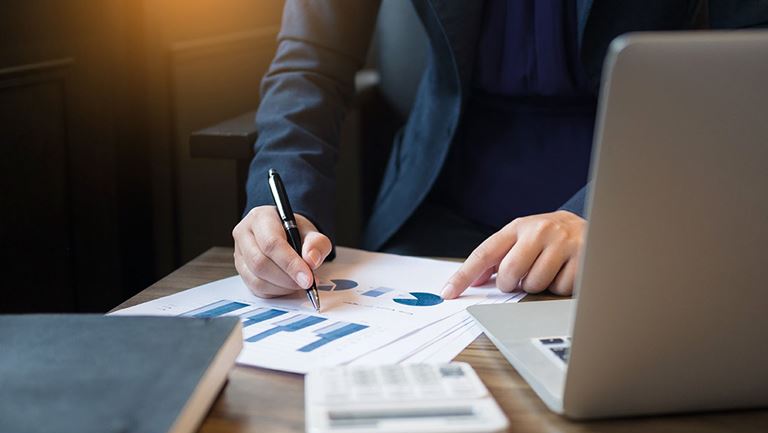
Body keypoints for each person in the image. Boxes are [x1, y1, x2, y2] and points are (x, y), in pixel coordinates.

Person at [232, 0, 767, 301]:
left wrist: (609, 211)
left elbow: (751, 69)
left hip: (638, 199)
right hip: (434, 206)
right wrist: (280, 205)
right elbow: (312, 60)